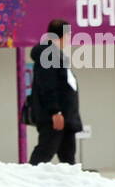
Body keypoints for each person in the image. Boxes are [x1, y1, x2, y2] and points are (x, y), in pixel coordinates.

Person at [28, 19, 83, 165]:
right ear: (62, 35)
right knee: (45, 151)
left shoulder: (57, 55)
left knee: (68, 158)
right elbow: (47, 85)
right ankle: (29, 179)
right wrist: (55, 112)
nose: (69, 39)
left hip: (66, 116)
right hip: (55, 117)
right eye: (69, 35)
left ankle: (73, 184)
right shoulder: (48, 55)